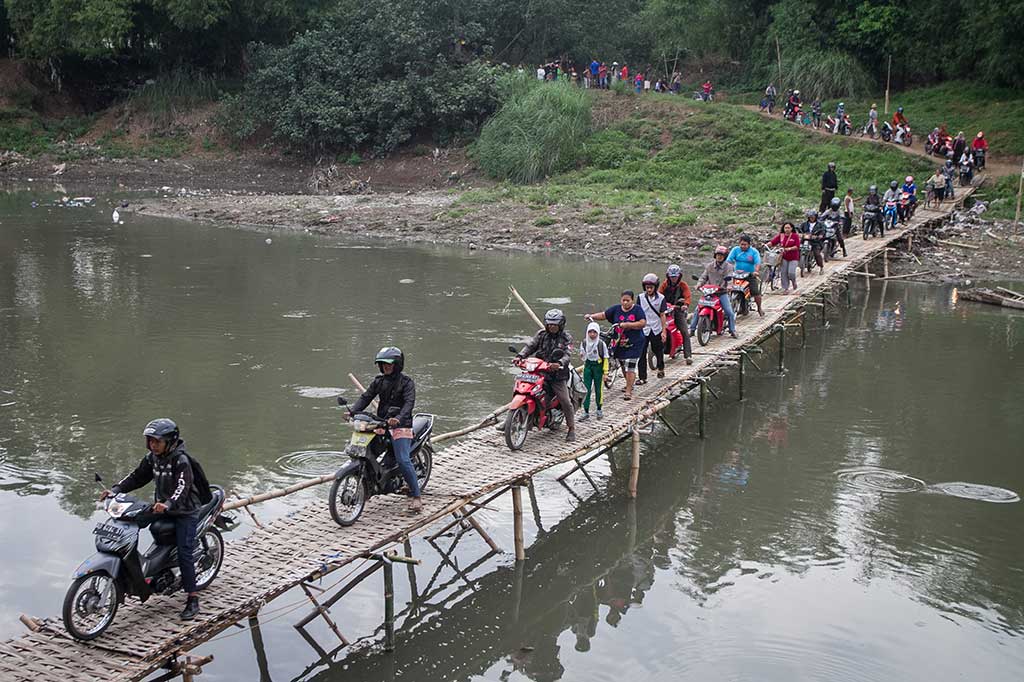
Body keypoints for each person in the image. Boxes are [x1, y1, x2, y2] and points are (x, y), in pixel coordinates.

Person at [102, 418, 205, 620]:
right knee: (131, 520)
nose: (153, 445)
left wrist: (168, 504)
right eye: (150, 441)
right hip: (162, 508)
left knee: (185, 552)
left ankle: (192, 598)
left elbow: (181, 489)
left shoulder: (181, 461)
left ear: (170, 441)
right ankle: (140, 571)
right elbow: (137, 477)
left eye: (157, 441)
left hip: (184, 510)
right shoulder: (152, 458)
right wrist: (115, 490)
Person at [349, 347, 423, 511]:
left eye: (389, 365)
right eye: (383, 365)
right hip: (381, 423)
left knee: (403, 459)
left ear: (397, 365)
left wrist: (398, 419)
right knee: (367, 451)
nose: (386, 367)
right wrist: (352, 411)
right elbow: (366, 397)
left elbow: (409, 404)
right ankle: (370, 486)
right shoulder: (378, 381)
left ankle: (416, 496)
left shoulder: (407, 383)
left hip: (401, 425)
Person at [516, 309, 576, 441]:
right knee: (524, 389)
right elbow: (530, 346)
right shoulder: (541, 334)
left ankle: (571, 428)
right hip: (539, 371)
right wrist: (520, 356)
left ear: (561, 324)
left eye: (555, 324)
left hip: (557, 375)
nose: (552, 326)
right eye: (549, 324)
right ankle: (513, 417)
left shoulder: (566, 338)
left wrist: (559, 363)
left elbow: (567, 354)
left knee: (565, 401)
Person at [586, 292, 647, 401]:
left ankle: (628, 391)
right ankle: (629, 384)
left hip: (634, 343)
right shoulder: (616, 309)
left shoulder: (637, 310)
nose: (625, 302)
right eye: (623, 300)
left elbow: (642, 323)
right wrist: (592, 316)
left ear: (632, 300)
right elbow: (604, 315)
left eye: (627, 300)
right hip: (619, 342)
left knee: (630, 367)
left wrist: (628, 325)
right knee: (623, 364)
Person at [690, 246, 737, 338]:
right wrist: (699, 284)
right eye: (718, 255)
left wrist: (730, 286)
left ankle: (732, 330)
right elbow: (703, 277)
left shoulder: (729, 267)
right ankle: (692, 329)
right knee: (697, 310)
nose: (719, 257)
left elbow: (730, 278)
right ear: (715, 255)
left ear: (725, 256)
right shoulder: (709, 266)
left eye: (721, 255)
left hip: (721, 293)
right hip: (709, 293)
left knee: (729, 312)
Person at [658, 264, 693, 364]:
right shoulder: (664, 285)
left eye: (675, 276)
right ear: (668, 276)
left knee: (685, 331)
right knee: (657, 330)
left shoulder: (683, 285)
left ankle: (688, 355)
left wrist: (685, 304)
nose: (673, 279)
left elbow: (688, 296)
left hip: (678, 310)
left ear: (679, 276)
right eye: (672, 276)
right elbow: (659, 295)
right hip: (665, 311)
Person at [637, 273, 668, 383]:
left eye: (651, 287)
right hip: (644, 328)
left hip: (656, 328)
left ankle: (660, 368)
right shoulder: (640, 298)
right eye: (647, 287)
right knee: (641, 353)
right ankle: (642, 377)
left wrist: (664, 331)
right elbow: (638, 312)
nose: (649, 289)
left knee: (658, 350)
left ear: (655, 287)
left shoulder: (661, 298)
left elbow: (662, 315)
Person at [727, 235, 764, 316]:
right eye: (741, 244)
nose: (743, 246)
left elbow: (757, 263)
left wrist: (756, 271)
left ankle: (759, 308)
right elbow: (729, 261)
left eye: (745, 244)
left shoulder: (754, 252)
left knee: (755, 292)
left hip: (749, 275)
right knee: (729, 288)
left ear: (749, 244)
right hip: (737, 275)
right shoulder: (735, 250)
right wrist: (728, 269)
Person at [578, 322, 607, 421]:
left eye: (594, 332)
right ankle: (586, 411)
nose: (592, 334)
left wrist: (605, 372)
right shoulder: (585, 343)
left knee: (599, 389)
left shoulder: (601, 344)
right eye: (590, 332)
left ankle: (599, 409)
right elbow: (582, 354)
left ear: (598, 333)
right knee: (586, 389)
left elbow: (606, 358)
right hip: (588, 366)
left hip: (598, 367)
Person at [768, 222, 801, 293]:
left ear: (792, 228)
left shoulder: (795, 236)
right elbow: (773, 242)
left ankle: (793, 281)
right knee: (783, 273)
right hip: (783, 257)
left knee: (791, 273)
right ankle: (785, 288)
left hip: (793, 257)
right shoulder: (781, 236)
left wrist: (789, 249)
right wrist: (767, 245)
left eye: (788, 228)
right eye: (785, 228)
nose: (787, 229)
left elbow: (797, 246)